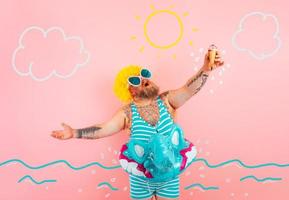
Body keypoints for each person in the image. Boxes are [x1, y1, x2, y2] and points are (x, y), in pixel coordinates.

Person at [51, 45, 224, 200]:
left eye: (144, 75)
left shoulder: (167, 101)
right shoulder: (126, 113)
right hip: (141, 179)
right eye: (135, 80)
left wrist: (206, 69)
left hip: (169, 174)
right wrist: (75, 133)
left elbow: (189, 89)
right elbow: (103, 129)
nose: (143, 80)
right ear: (130, 92)